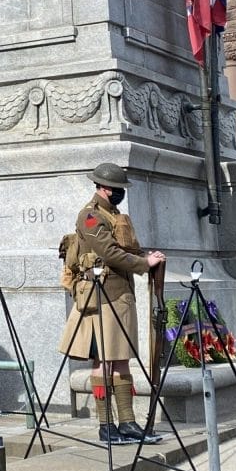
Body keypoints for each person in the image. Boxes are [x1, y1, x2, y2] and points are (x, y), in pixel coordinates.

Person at [59, 162, 166, 445]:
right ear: (104, 188)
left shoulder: (113, 214)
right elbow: (108, 253)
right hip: (102, 295)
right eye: (117, 189)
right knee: (104, 361)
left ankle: (127, 422)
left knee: (121, 360)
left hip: (120, 295)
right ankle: (107, 426)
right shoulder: (90, 217)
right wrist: (145, 263)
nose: (120, 193)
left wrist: (146, 256)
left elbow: (124, 248)